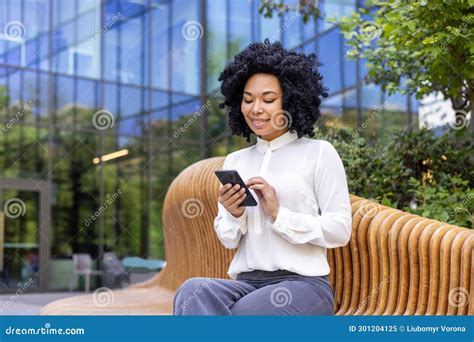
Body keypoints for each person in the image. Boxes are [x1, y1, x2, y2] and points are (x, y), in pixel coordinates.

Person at [173, 39, 352, 315]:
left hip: (303, 286)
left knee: (243, 313)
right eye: (248, 100)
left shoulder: (319, 153)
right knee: (191, 293)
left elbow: (340, 229)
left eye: (268, 99)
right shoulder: (236, 161)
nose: (256, 109)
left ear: (290, 100)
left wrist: (279, 215)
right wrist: (233, 214)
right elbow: (229, 241)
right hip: (246, 283)